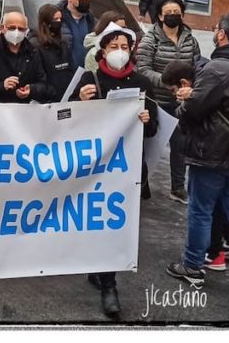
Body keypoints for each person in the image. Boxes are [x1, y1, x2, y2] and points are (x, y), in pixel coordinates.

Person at [70, 22, 158, 317]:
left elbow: (153, 129)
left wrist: (147, 119)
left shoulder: (142, 83)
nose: (119, 52)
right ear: (102, 50)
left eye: (124, 47)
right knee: (97, 221)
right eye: (113, 47)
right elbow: (64, 118)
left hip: (127, 170)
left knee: (116, 224)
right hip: (94, 168)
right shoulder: (88, 77)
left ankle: (108, 281)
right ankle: (103, 276)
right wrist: (80, 101)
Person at [166, 13, 229, 288]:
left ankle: (193, 265)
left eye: (216, 28)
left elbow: (194, 111)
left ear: (222, 34)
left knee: (201, 210)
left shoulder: (217, 68)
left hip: (211, 150)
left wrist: (183, 103)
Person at [135, 0, 201, 204]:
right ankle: (139, 185)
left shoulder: (190, 39)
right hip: (158, 101)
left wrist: (190, 88)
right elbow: (143, 69)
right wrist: (167, 83)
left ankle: (177, 187)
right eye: (168, 12)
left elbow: (197, 65)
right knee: (148, 144)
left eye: (177, 12)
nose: (173, 15)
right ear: (161, 15)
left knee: (180, 146)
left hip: (182, 102)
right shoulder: (150, 40)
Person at [0, 11, 52, 104]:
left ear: (26, 31)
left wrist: (31, 90)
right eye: (12, 28)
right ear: (3, 28)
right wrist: (1, 86)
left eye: (21, 29)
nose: (16, 32)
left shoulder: (33, 52)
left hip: (24, 109)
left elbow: (44, 84)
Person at [28, 4, 76, 103]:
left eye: (60, 19)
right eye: (55, 19)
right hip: (47, 99)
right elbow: (38, 75)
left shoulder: (63, 43)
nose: (59, 22)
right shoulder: (35, 45)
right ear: (45, 22)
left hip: (65, 96)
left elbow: (70, 68)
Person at [59, 0, 97, 68]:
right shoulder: (58, 20)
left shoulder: (91, 20)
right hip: (66, 73)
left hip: (87, 72)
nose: (86, 0)